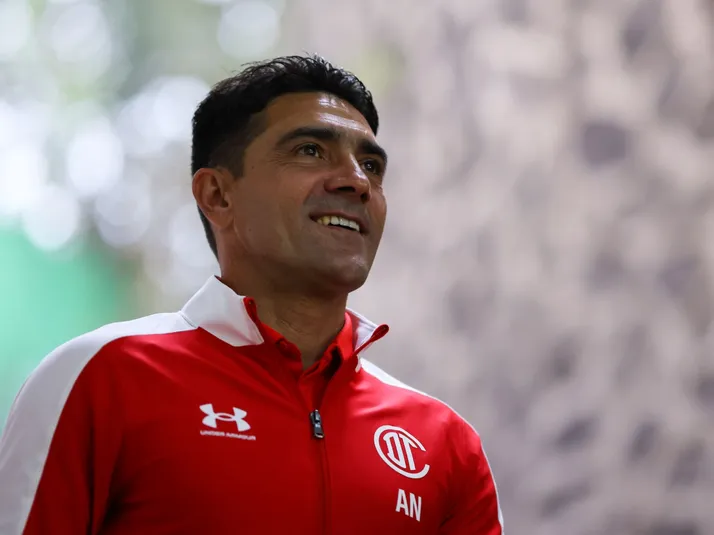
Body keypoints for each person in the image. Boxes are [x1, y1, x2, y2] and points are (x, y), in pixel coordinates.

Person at [0, 55, 503, 534]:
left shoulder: (445, 442)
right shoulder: (100, 378)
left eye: (371, 165)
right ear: (217, 195)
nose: (357, 181)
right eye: (310, 150)